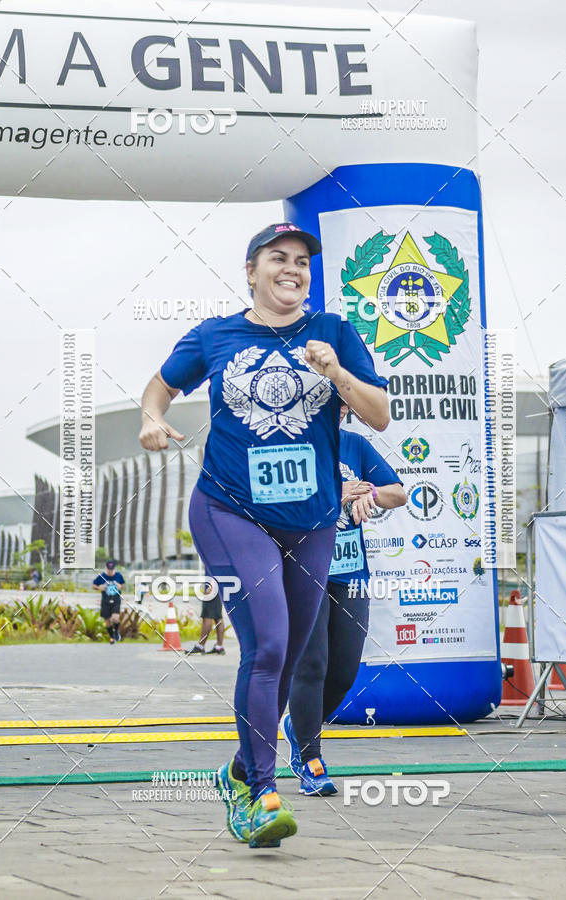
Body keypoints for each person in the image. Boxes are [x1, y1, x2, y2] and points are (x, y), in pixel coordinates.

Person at [139, 222, 389, 849]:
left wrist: (336, 374)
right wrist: (150, 419)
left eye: (302, 261)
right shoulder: (217, 335)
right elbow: (161, 387)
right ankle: (259, 795)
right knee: (270, 645)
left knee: (282, 667)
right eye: (278, 258)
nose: (293, 269)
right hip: (231, 512)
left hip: (312, 521)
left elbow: (379, 414)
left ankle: (237, 771)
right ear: (250, 270)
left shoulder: (334, 334)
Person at [281, 405, 406, 795]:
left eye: (339, 406)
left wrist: (368, 491)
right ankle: (310, 758)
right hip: (304, 570)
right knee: (312, 665)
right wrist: (335, 494)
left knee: (344, 672)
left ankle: (299, 726)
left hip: (351, 573)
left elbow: (398, 493)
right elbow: (277, 507)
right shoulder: (288, 445)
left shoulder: (355, 446)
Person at [185, 581, 226, 655]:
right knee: (218, 616)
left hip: (212, 587)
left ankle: (200, 646)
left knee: (207, 616)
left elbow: (215, 570)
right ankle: (219, 647)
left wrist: (211, 586)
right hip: (219, 586)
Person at [93, 560, 125, 644]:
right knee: (107, 621)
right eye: (109, 569)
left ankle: (117, 632)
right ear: (106, 568)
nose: (110, 571)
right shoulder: (101, 576)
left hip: (116, 599)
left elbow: (123, 585)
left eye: (112, 569)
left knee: (115, 618)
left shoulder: (118, 575)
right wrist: (99, 587)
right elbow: (94, 585)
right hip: (105, 600)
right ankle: (112, 637)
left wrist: (120, 586)